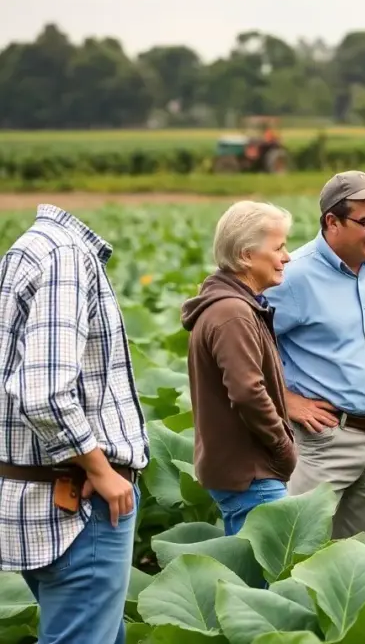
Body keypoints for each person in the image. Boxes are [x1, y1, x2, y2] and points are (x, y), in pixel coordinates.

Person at [0, 204, 149, 644]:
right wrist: (102, 470)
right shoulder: (65, 256)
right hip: (76, 504)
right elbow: (43, 392)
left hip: (33, 498)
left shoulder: (26, 249)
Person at [263, 170, 365, 539]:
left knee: (363, 561)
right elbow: (238, 345)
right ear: (332, 221)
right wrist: (287, 401)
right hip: (325, 440)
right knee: (298, 550)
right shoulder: (292, 275)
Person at [180, 201, 297, 536]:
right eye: (278, 247)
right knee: (266, 580)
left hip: (248, 472)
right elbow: (247, 392)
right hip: (252, 475)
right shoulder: (233, 314)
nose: (286, 256)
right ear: (247, 255)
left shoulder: (233, 307)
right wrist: (282, 448)